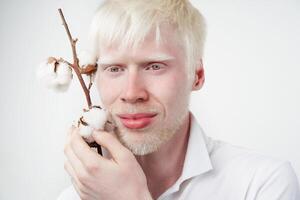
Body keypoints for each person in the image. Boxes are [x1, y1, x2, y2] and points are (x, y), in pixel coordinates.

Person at [57, 0, 300, 199]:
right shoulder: (75, 197)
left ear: (197, 75)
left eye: (154, 66)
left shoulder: (262, 184)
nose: (131, 93)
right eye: (114, 69)